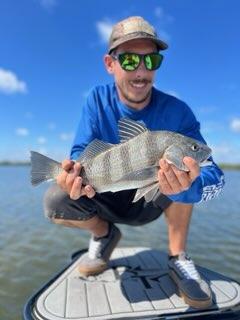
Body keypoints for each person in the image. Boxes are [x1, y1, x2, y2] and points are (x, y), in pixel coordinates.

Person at [44, 16, 224, 309]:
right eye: (129, 60)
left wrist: (187, 186)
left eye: (151, 60)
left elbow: (215, 175)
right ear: (110, 64)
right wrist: (72, 174)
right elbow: (80, 151)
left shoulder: (179, 113)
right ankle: (104, 235)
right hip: (104, 192)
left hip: (153, 200)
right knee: (56, 199)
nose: (141, 71)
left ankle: (177, 256)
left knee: (183, 171)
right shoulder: (96, 99)